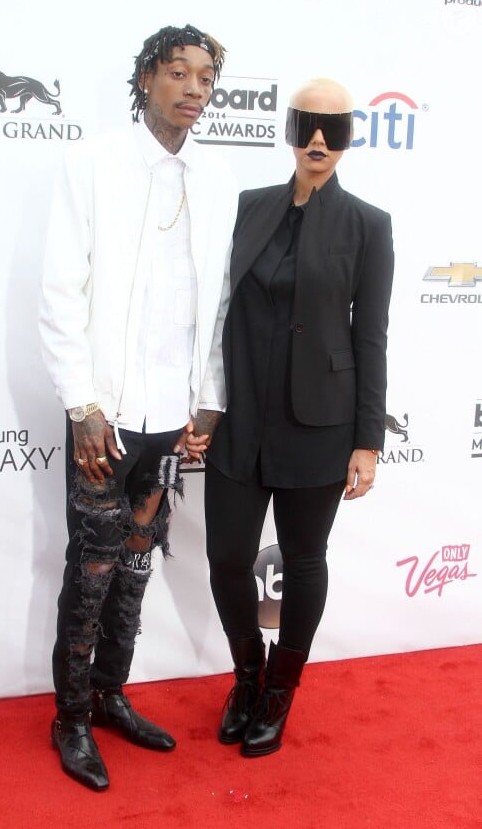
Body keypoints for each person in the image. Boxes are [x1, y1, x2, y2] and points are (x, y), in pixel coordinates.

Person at [39, 24, 237, 791]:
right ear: (148, 76)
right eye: (180, 73)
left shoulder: (217, 179)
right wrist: (82, 404)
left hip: (170, 413)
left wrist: (210, 400)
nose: (194, 90)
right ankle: (71, 717)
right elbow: (62, 292)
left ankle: (111, 694)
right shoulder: (90, 163)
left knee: (135, 563)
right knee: (90, 569)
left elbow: (215, 306)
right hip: (105, 416)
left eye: (206, 79)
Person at [191, 78, 394, 758]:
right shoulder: (247, 209)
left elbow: (371, 336)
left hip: (320, 425)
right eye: (308, 125)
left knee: (305, 560)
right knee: (226, 558)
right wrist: (205, 401)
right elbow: (214, 312)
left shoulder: (368, 224)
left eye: (333, 130)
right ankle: (246, 677)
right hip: (242, 416)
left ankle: (280, 692)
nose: (317, 141)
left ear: (347, 139)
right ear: (290, 128)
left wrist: (369, 440)